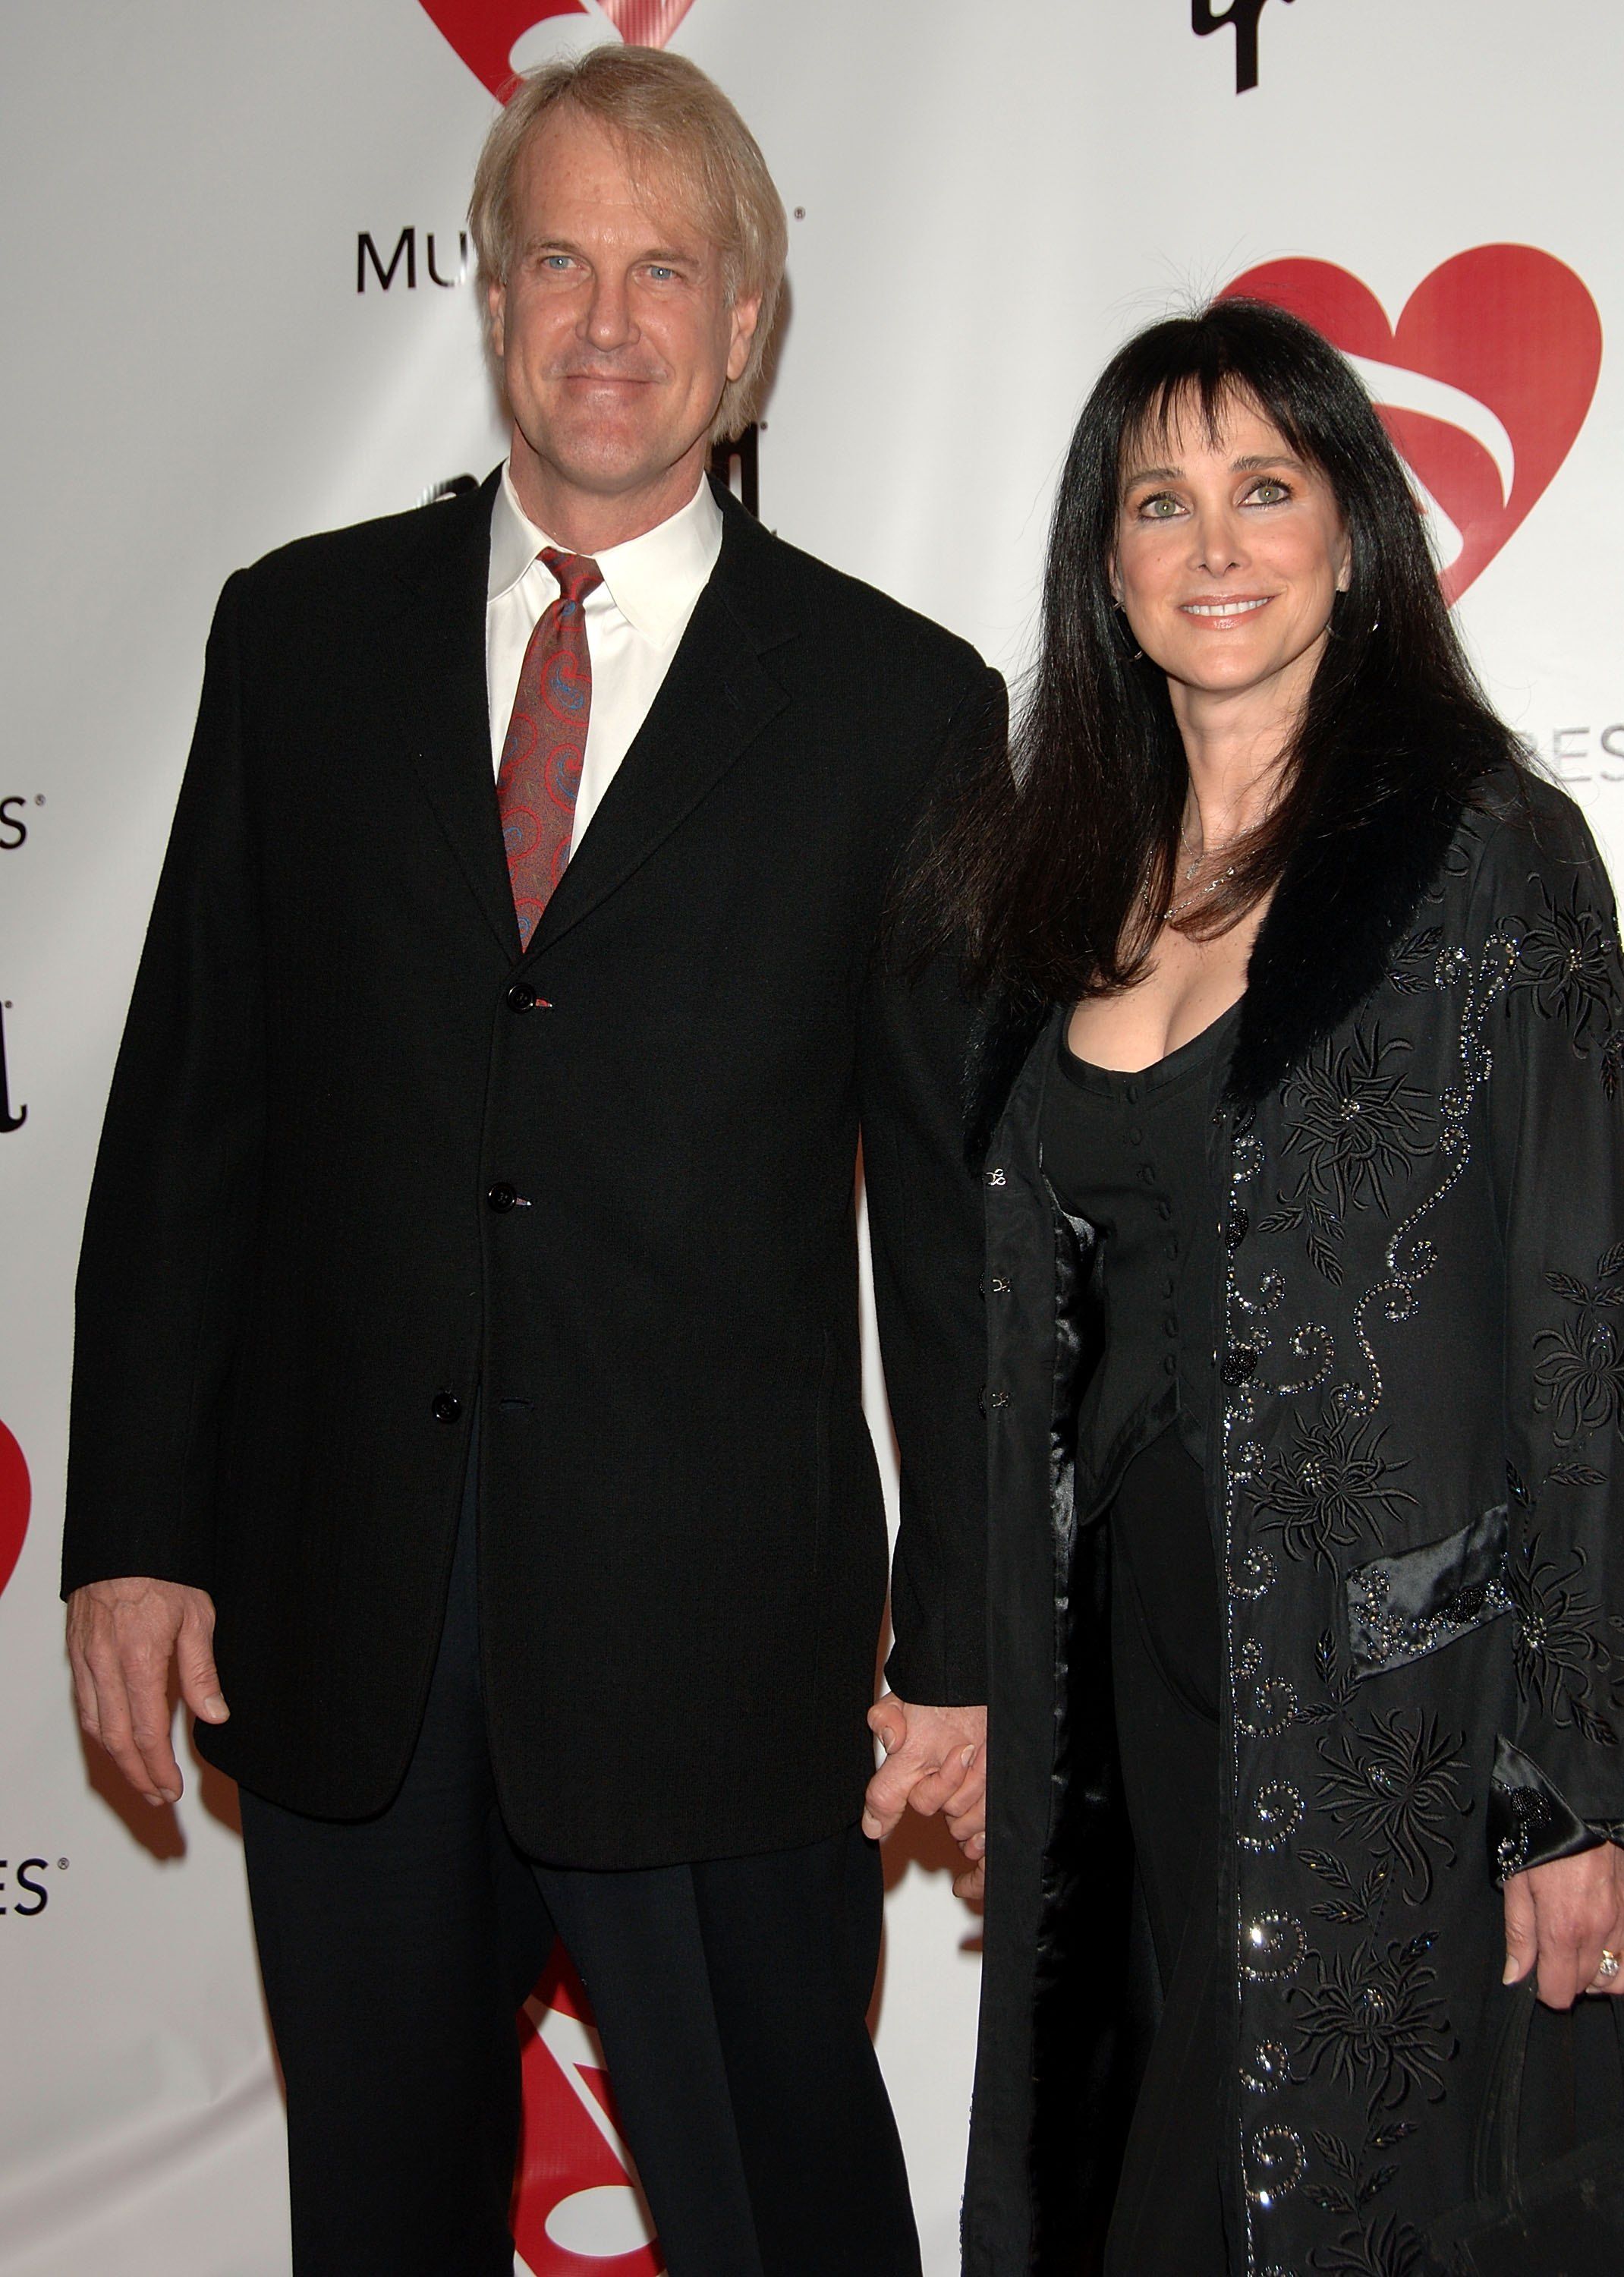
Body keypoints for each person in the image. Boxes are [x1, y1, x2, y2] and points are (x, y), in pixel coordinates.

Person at [60, 47, 993, 2277]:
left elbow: (956, 1219)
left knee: (789, 2223)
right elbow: (195, 1110)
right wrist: (135, 1529)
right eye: (555, 258)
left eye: (664, 269)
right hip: (342, 1624)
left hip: (715, 1654)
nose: (605, 317)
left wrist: (963, 1632)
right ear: (483, 300)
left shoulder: (897, 708)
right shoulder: (295, 637)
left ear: (747, 325)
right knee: (372, 2226)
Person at [912, 298, 1624, 2272]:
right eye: (1159, 501)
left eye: (1262, 488)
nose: (1212, 543)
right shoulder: (1042, 892)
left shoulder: (1488, 859)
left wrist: (1574, 1781)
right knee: (1131, 2190)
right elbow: (1010, 1340)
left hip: (1385, 1698)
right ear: (1106, 567)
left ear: (1348, 534)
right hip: (1110, 1694)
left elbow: (1588, 1329)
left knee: (1360, 2200)